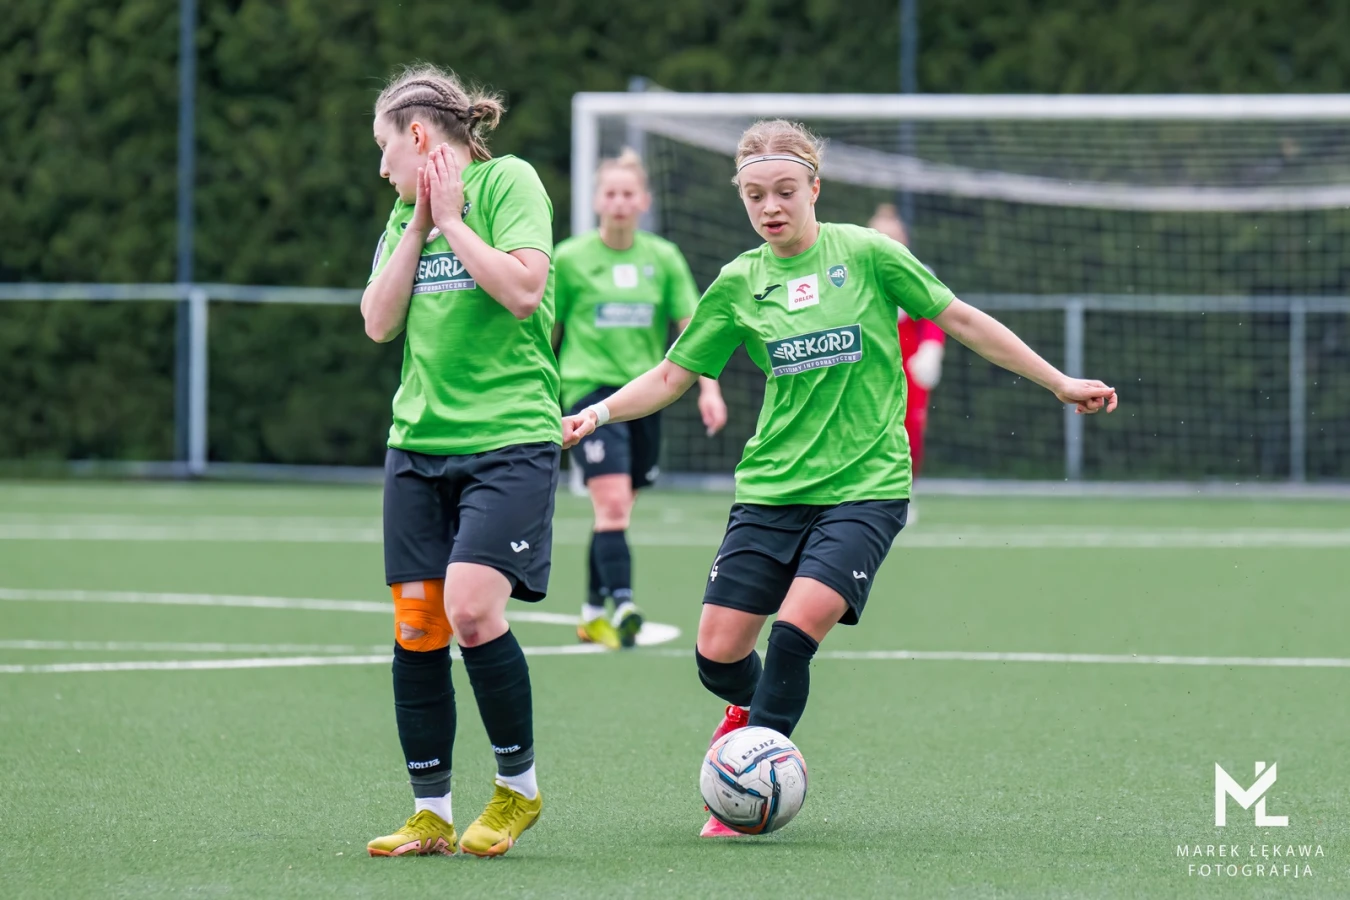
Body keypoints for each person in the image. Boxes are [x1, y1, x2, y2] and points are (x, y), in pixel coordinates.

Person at [561, 120, 1117, 838]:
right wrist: (599, 411)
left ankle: (749, 785)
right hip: (771, 488)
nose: (771, 206)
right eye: (755, 195)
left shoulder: (867, 254)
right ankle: (749, 715)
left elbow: (961, 320)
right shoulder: (739, 282)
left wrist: (1059, 382)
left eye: (785, 191)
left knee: (794, 633)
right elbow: (673, 374)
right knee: (717, 655)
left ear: (815, 188)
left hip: (866, 487)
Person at [361, 64, 558, 858]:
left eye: (384, 148)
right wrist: (418, 226)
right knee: (419, 626)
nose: (382, 168)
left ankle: (518, 789)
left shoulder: (509, 183)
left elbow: (523, 290)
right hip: (417, 446)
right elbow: (378, 322)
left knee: (472, 611)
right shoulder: (402, 215)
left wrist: (452, 219)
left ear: (417, 135)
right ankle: (431, 812)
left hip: (508, 438)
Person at [553, 149, 728, 649]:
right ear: (596, 200)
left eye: (628, 193)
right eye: (610, 193)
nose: (619, 202)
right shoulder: (569, 258)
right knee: (611, 504)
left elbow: (692, 329)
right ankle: (625, 604)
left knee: (615, 511)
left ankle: (592, 612)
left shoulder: (663, 258)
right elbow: (549, 331)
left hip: (645, 397)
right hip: (587, 392)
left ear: (644, 201)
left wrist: (708, 389)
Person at [869, 203, 945, 479]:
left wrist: (931, 349)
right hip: (868, 362)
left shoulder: (918, 272)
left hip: (907, 364)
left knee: (910, 426)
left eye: (892, 237)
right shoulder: (854, 276)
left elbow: (935, 318)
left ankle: (904, 486)